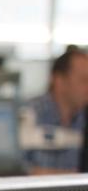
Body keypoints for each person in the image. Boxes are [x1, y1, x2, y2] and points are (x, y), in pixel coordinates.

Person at [24, 46, 88, 174]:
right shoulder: (29, 113)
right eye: (84, 80)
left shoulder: (83, 118)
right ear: (59, 80)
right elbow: (13, 172)